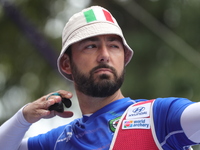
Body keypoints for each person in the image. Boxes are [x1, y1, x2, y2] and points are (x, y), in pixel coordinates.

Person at [0, 5, 200, 150]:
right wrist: (24, 117)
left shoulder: (158, 116)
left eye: (114, 45)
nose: (104, 54)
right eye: (91, 46)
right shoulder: (60, 141)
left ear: (124, 57)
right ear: (66, 64)